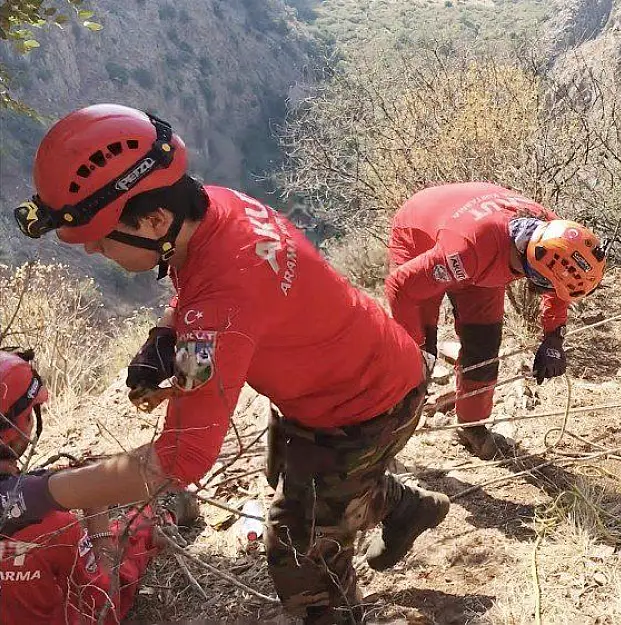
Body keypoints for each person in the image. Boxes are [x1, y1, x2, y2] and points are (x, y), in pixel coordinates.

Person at [7, 103, 449, 625]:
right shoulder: (214, 207)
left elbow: (180, 459)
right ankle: (402, 506)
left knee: (299, 551)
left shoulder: (220, 308)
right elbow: (202, 295)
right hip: (355, 371)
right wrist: (164, 338)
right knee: (292, 472)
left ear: (154, 220)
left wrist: (31, 495)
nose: (99, 253)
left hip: (363, 406)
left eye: (102, 240)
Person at [385, 182, 606, 459]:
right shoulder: (468, 252)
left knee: (484, 346)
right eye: (547, 285)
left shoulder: (554, 235)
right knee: (418, 357)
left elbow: (558, 285)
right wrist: (414, 346)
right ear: (536, 274)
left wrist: (553, 336)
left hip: (483, 250)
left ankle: (472, 427)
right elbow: (401, 287)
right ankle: (384, 444)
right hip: (420, 234)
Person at [0, 348, 197, 624]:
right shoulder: (55, 528)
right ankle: (162, 515)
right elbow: (105, 606)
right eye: (32, 413)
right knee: (123, 546)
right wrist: (98, 520)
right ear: (19, 425)